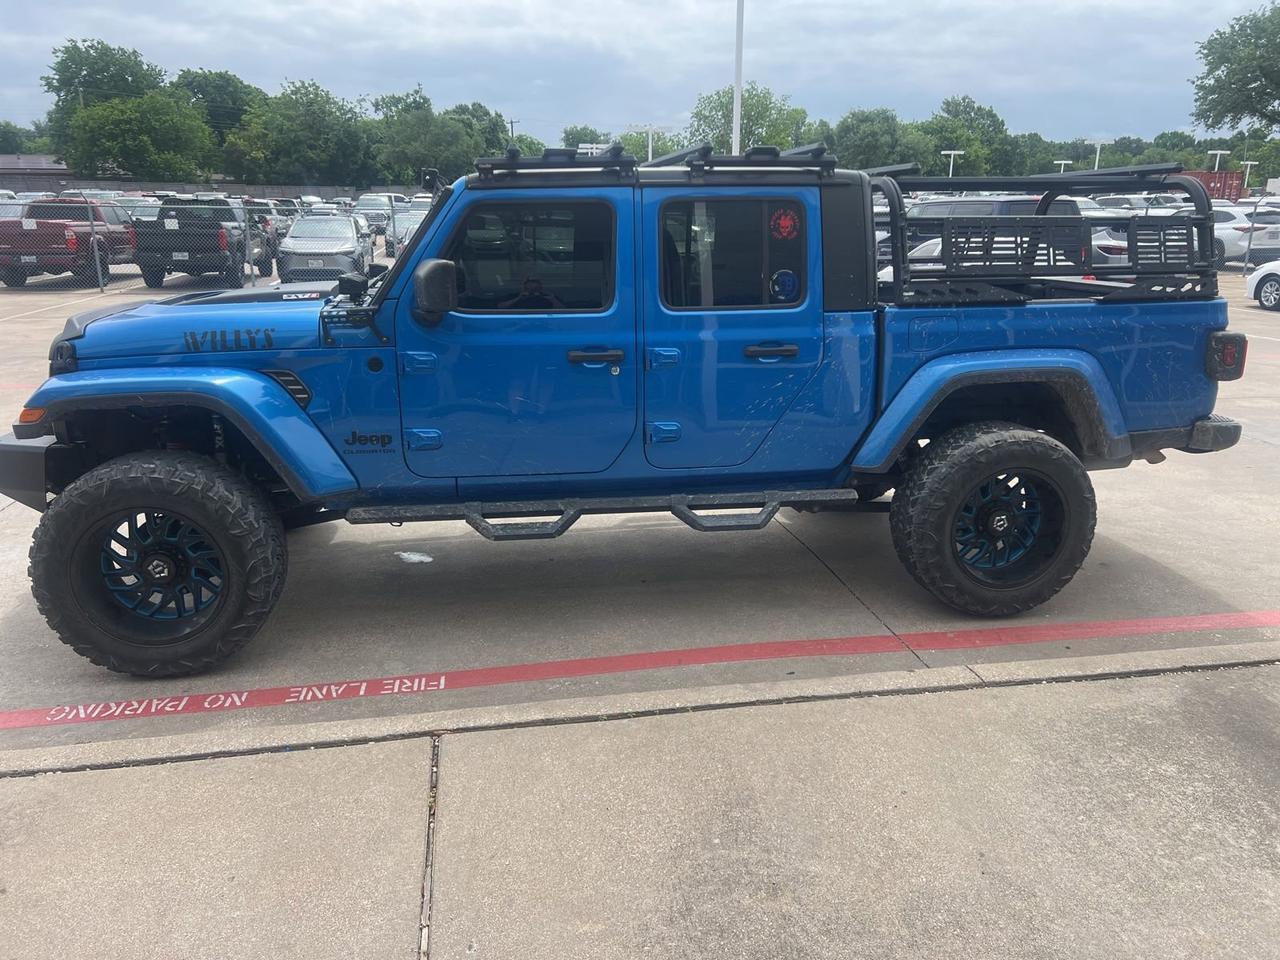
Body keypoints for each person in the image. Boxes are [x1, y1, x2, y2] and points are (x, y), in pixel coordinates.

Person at [499, 276, 563, 309]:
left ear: (540, 288)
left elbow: (563, 310)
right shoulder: (515, 296)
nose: (532, 290)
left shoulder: (548, 297)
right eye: (529, 288)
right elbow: (500, 307)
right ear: (524, 288)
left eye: (535, 288)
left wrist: (553, 300)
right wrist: (518, 298)